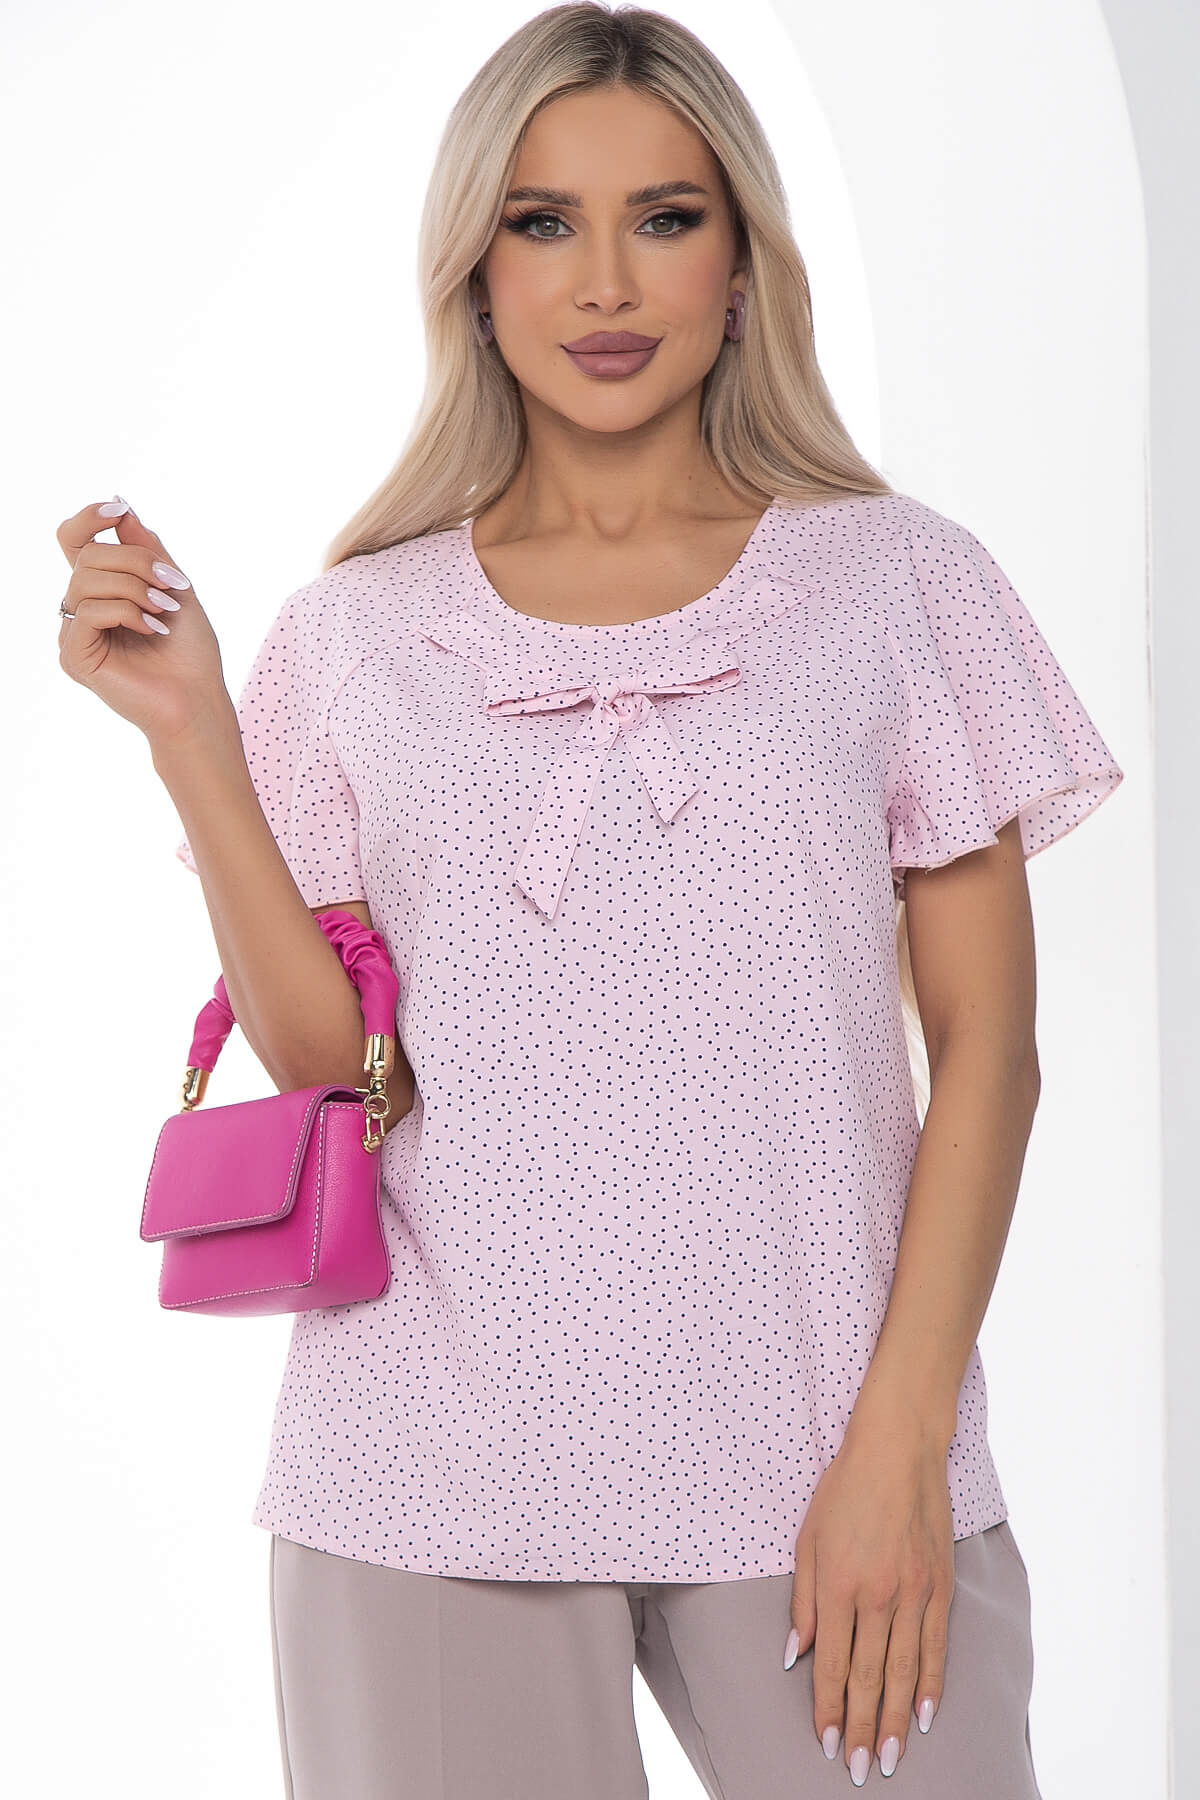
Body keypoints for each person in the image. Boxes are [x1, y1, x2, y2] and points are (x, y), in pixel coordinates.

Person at [57, 6, 1124, 1796]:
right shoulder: (358, 633)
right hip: (427, 1469)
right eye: (544, 222)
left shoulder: (898, 585)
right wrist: (192, 739)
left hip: (830, 1457)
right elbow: (334, 1072)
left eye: (667, 217)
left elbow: (991, 1059)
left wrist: (900, 1446)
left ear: (741, 262)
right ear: (475, 275)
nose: (606, 281)